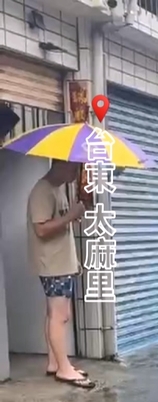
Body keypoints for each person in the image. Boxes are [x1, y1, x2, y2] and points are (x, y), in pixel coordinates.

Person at [28, 160, 94, 388]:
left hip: (61, 262)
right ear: (60, 165)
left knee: (56, 314)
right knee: (59, 316)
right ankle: (64, 369)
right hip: (53, 264)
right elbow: (41, 228)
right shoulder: (42, 191)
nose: (76, 174)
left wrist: (71, 216)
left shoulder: (58, 189)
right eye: (74, 168)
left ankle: (55, 363)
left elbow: (58, 225)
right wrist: (69, 216)